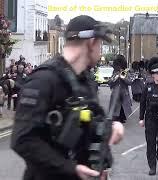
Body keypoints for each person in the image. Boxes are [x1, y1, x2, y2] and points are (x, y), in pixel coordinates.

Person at [10, 15, 124, 180]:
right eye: (100, 44)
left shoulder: (86, 80)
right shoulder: (43, 80)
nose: (100, 50)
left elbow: (90, 121)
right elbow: (22, 140)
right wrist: (70, 168)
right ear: (91, 43)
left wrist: (112, 127)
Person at [108, 54, 133, 123]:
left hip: (124, 93)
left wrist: (123, 78)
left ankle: (122, 117)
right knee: (115, 106)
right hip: (115, 93)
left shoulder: (125, 72)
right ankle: (115, 117)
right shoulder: (114, 72)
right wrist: (115, 78)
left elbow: (130, 82)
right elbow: (110, 82)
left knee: (122, 107)